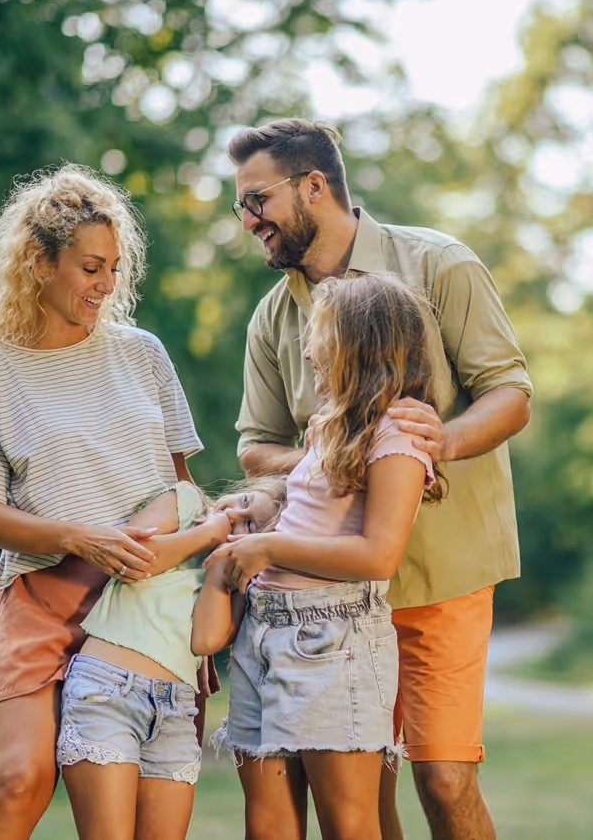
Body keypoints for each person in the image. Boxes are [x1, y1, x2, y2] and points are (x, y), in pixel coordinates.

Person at [226, 118, 533, 840]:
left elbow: (511, 392)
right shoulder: (273, 317)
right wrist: (338, 453)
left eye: (257, 199)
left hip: (443, 574)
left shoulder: (438, 264)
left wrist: (438, 441)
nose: (247, 221)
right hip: (331, 596)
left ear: (314, 186)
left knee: (445, 777)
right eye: (239, 206)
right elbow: (255, 447)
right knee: (364, 798)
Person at [0, 164, 207, 840]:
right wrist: (80, 537)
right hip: (40, 599)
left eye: (113, 267)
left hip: (143, 601)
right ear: (37, 261)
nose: (106, 285)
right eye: (89, 267)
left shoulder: (144, 355)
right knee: (19, 778)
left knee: (138, 816)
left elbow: (184, 486)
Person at [207, 274, 446, 840]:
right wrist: (256, 517)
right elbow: (312, 514)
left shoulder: (397, 437)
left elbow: (378, 555)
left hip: (333, 639)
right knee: (267, 824)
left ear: (363, 346)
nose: (309, 351)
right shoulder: (326, 429)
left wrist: (267, 547)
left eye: (322, 338)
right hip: (265, 633)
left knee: (348, 822)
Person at [56, 475, 285, 840]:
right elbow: (130, 559)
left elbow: (206, 639)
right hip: (107, 692)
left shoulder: (234, 582)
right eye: (243, 501)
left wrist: (219, 569)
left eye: (248, 526)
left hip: (175, 711)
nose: (233, 517)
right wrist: (209, 534)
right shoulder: (186, 501)